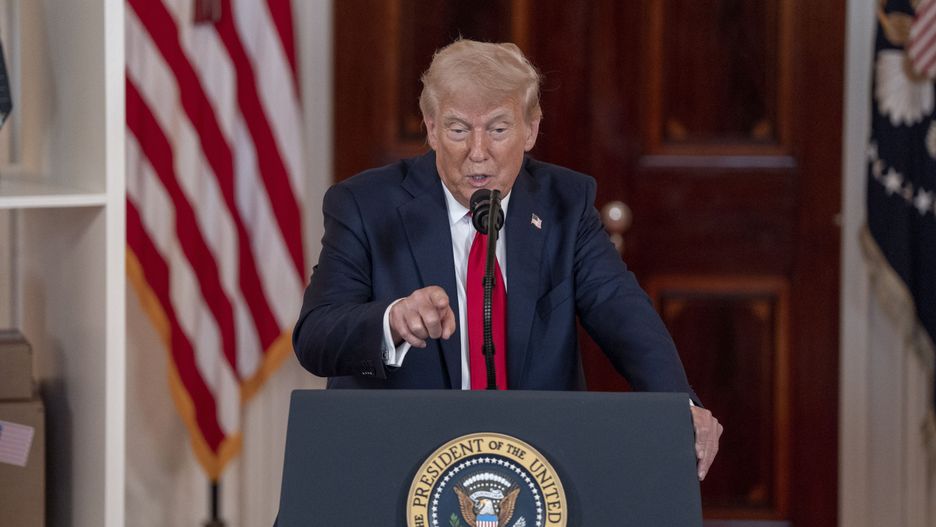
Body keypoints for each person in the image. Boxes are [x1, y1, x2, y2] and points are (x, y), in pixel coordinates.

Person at [293, 39, 722, 479]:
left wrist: (680, 408)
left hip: (532, 466)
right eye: (459, 129)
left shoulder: (564, 205)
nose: (477, 152)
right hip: (396, 462)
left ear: (530, 130)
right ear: (431, 128)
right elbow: (315, 338)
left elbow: (623, 313)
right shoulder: (365, 205)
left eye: (498, 129)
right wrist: (391, 321)